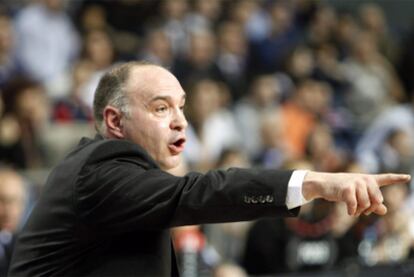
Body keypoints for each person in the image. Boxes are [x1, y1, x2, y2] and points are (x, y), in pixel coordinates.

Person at [8, 61, 410, 276]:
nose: (181, 121)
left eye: (182, 106)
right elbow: (199, 192)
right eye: (161, 108)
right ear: (115, 122)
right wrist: (315, 182)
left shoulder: (121, 184)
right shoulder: (100, 168)